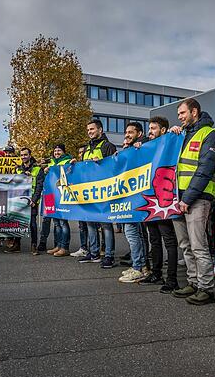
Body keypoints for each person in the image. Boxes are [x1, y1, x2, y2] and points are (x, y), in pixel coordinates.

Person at [168, 98, 215, 305]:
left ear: (195, 112)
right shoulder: (182, 135)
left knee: (199, 246)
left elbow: (204, 169)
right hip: (179, 198)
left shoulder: (210, 135)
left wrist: (187, 199)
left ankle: (206, 289)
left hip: (197, 198)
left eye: (182, 113)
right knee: (185, 244)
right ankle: (193, 282)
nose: (180, 117)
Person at [131, 116, 180, 292]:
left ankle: (172, 279)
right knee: (154, 239)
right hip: (148, 201)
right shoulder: (145, 146)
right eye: (149, 128)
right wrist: (134, 148)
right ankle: (156, 273)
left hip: (164, 201)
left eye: (153, 128)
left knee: (168, 240)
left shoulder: (170, 142)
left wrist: (175, 131)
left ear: (163, 130)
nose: (150, 131)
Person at [75, 119, 117, 268]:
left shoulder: (108, 146)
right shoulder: (86, 148)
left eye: (92, 129)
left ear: (100, 130)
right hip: (88, 192)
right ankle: (94, 253)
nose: (90, 132)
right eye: (88, 130)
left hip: (103, 192)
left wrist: (102, 162)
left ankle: (109, 255)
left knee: (106, 225)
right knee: (90, 224)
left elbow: (114, 169)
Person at [116, 122, 148, 282]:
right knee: (136, 234)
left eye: (131, 132)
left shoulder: (141, 148)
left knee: (132, 233)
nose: (127, 135)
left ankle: (138, 267)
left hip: (135, 199)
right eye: (126, 132)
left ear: (140, 134)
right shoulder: (128, 149)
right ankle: (141, 265)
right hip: (128, 198)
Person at [37, 144, 72, 256]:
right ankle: (57, 245)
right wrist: (45, 170)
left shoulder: (68, 161)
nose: (57, 152)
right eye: (55, 150)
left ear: (64, 152)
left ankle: (64, 247)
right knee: (56, 223)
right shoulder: (51, 163)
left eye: (59, 150)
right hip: (50, 195)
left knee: (63, 222)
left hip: (61, 195)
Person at [10, 147, 44, 254]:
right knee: (18, 222)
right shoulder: (18, 169)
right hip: (19, 200)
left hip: (32, 200)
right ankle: (17, 245)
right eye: (22, 155)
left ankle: (34, 245)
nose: (23, 157)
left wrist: (34, 199)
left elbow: (39, 186)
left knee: (32, 224)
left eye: (25, 155)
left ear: (30, 155)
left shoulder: (38, 169)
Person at [70, 145, 90, 257]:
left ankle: (97, 249)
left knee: (93, 226)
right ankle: (83, 248)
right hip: (80, 200)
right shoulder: (77, 166)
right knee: (82, 225)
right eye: (79, 152)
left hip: (90, 200)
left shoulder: (91, 166)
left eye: (83, 152)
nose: (81, 154)